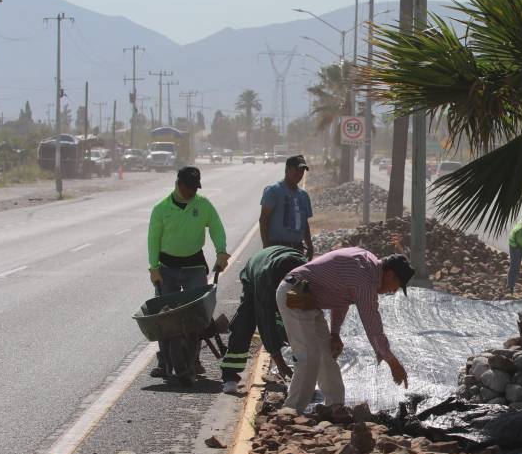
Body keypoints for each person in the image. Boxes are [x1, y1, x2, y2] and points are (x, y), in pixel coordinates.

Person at [277, 247, 414, 411]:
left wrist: (334, 333)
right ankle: (291, 411)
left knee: (326, 354)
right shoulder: (366, 280)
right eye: (397, 285)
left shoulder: (367, 262)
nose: (393, 290)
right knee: (309, 355)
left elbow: (340, 298)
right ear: (390, 274)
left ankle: (335, 406)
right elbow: (373, 325)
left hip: (308, 298)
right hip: (295, 293)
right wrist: (392, 361)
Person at [147, 166, 229, 384]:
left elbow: (217, 229)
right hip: (167, 267)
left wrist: (221, 252)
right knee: (165, 318)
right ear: (178, 184)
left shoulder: (203, 205)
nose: (192, 191)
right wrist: (153, 268)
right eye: (189, 187)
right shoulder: (161, 208)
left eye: (195, 187)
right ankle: (164, 361)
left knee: (196, 316)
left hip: (194, 264)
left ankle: (194, 359)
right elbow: (153, 239)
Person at [219, 246, 308, 394]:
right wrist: (281, 365)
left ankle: (297, 361)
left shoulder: (306, 272)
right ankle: (230, 376)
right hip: (255, 272)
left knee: (296, 316)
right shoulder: (264, 280)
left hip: (282, 259)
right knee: (246, 321)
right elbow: (265, 323)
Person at [260, 155, 314, 257]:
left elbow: (305, 224)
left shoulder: (304, 195)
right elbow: (263, 220)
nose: (300, 174)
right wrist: (266, 248)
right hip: (276, 249)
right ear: (287, 169)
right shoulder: (273, 191)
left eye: (302, 171)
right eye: (297, 170)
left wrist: (310, 246)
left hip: (298, 249)